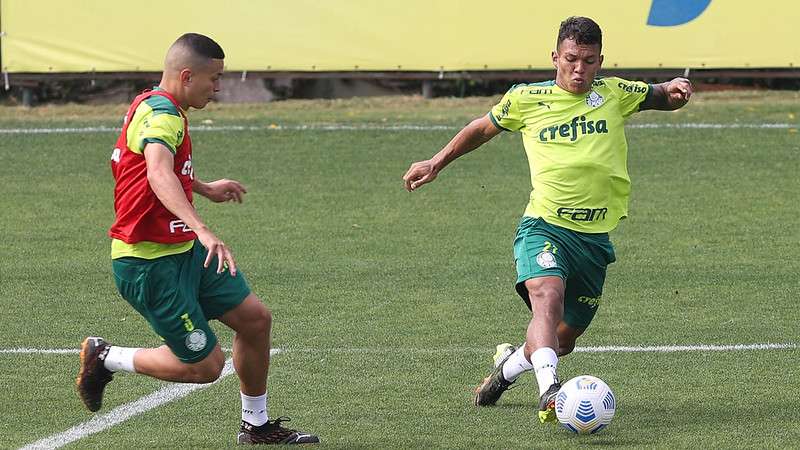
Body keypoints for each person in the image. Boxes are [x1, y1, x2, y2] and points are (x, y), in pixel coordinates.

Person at [402, 16, 692, 423]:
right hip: (544, 225)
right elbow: (481, 129)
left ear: (600, 60)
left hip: (593, 238)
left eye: (589, 61)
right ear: (555, 57)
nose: (579, 69)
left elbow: (661, 94)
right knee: (547, 301)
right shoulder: (526, 98)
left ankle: (505, 370)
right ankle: (550, 392)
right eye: (571, 59)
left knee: (562, 340)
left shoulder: (616, 93)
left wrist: (678, 91)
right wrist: (436, 162)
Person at [76, 33, 319, 445]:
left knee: (255, 320)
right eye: (214, 78)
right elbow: (155, 172)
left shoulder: (152, 103)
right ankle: (106, 357)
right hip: (148, 264)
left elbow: (143, 169)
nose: (219, 87)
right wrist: (203, 228)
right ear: (187, 75)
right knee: (206, 366)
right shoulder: (164, 115)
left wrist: (201, 187)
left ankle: (256, 426)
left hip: (182, 253)